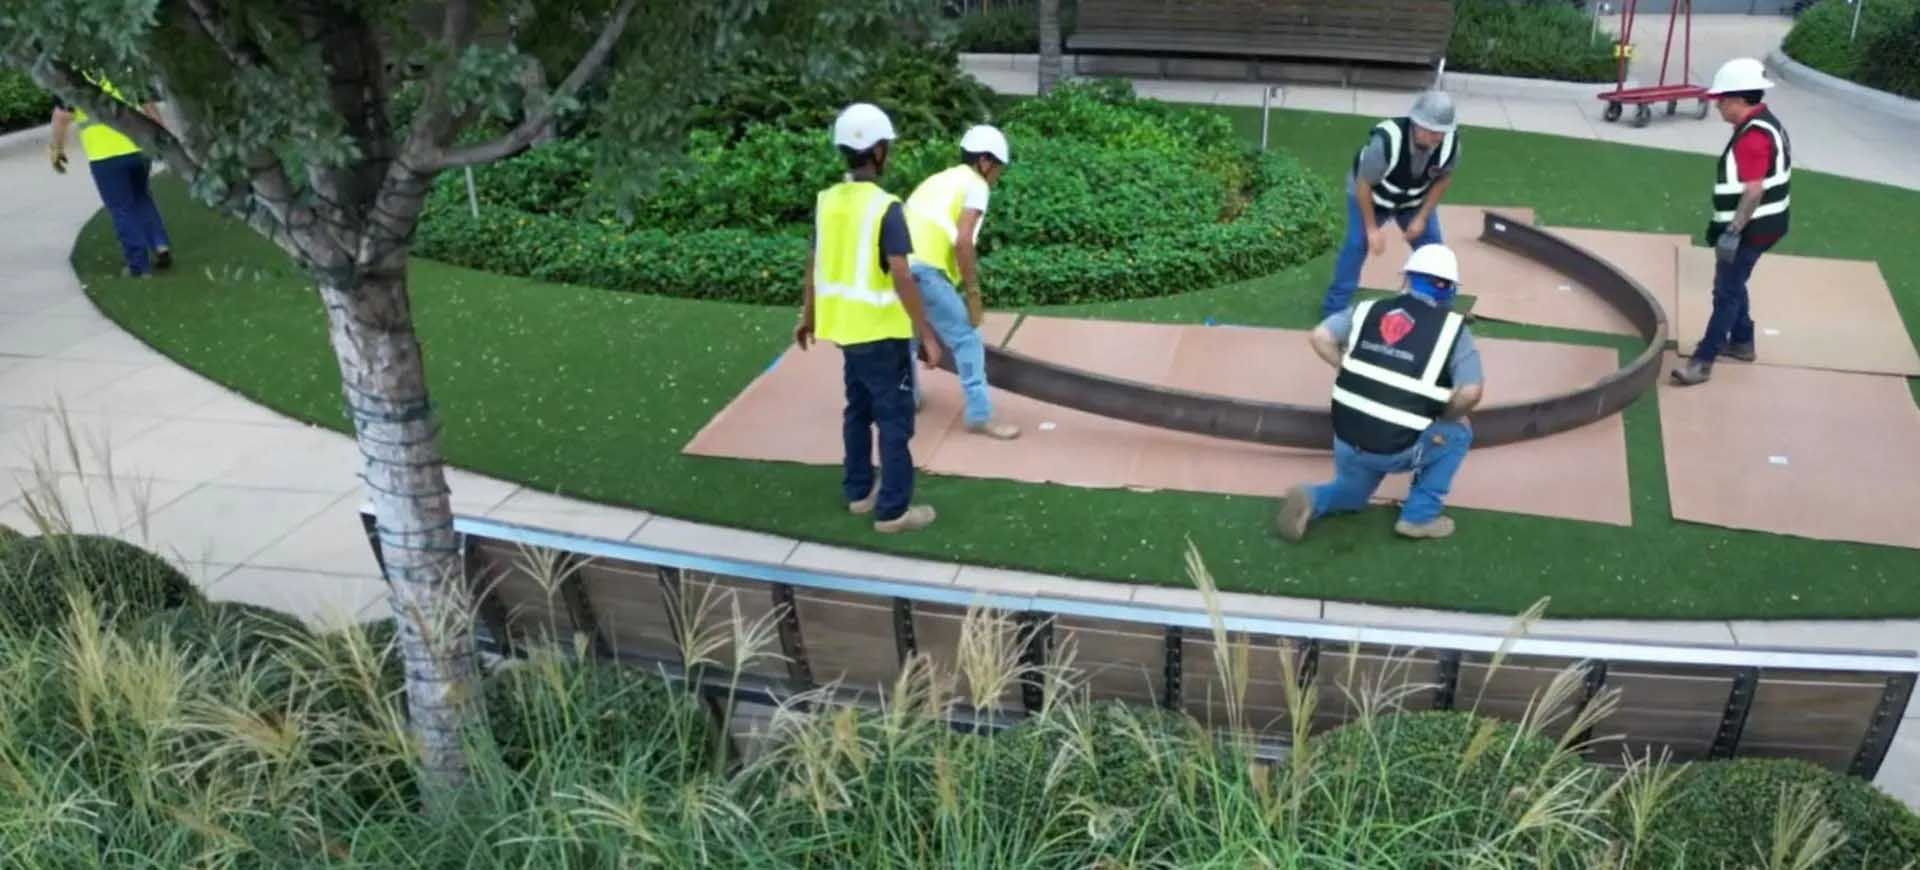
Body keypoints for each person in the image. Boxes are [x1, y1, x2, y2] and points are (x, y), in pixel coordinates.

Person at [793, 103, 942, 533]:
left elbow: (813, 264)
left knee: (857, 411)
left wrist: (809, 316)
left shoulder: (827, 202)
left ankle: (859, 493)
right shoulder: (886, 207)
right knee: (895, 419)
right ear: (878, 151)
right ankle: (893, 511)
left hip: (846, 332)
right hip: (882, 333)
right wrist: (925, 332)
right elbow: (900, 273)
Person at [1275, 244, 1484, 542]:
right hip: (1395, 444)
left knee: (1354, 493)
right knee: (1459, 432)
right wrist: (1445, 415)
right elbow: (1471, 393)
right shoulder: (1454, 330)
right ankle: (1419, 517)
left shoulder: (1367, 309)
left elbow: (1319, 335)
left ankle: (1312, 497)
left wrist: (1346, 368)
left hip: (1348, 434)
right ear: (1448, 289)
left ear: (1406, 278)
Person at [1671, 58, 1791, 387]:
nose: (1717, 106)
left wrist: (1733, 230)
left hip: (1754, 228)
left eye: (1721, 100)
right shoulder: (1765, 122)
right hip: (1770, 223)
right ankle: (1742, 341)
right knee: (1734, 282)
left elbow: (1753, 191)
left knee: (1725, 292)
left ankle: (1703, 360)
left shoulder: (1752, 138)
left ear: (1739, 100)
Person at [902, 124, 1020, 440]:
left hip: (896, 268)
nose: (997, 175)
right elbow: (963, 242)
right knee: (966, 341)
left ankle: (907, 398)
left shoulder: (938, 180)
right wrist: (972, 293)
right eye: (997, 168)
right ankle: (980, 416)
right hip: (924, 270)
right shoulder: (976, 184)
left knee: (908, 336)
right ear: (984, 161)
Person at [1318, 90, 1459, 319]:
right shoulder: (1385, 142)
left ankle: (1440, 308)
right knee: (1357, 243)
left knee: (1433, 249)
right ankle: (1334, 308)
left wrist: (1422, 217)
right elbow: (1363, 186)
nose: (1437, 138)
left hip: (1413, 201)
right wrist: (1372, 229)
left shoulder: (1450, 144)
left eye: (1442, 133)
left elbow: (1444, 179)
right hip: (1372, 198)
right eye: (1432, 132)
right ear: (1416, 124)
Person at [48, 75, 174, 277]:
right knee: (141, 196)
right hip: (138, 148)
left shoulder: (72, 80)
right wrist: (160, 137)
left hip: (105, 156)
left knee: (121, 209)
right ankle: (159, 244)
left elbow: (61, 118)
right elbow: (148, 105)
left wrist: (56, 148)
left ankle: (138, 266)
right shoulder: (118, 67)